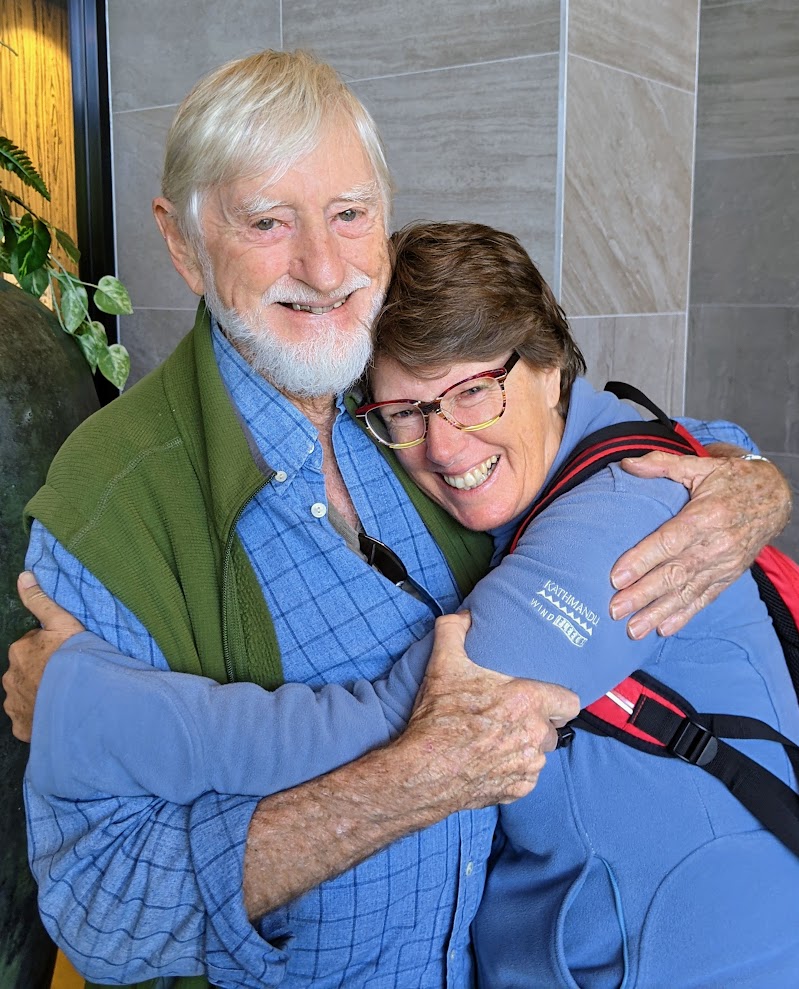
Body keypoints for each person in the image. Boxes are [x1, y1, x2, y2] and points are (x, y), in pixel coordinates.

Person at [4, 52, 791, 989]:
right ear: (181, 242)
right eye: (267, 221)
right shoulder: (116, 496)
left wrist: (747, 481)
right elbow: (103, 909)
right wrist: (398, 787)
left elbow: (425, 705)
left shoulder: (399, 412)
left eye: (349, 213)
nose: (323, 267)